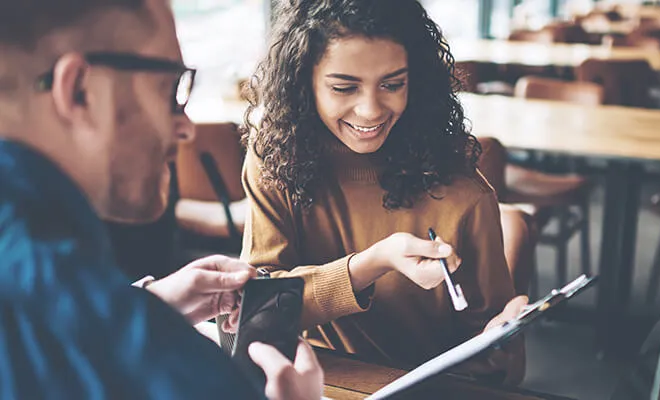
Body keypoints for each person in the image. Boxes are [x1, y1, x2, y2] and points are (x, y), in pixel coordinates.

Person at [0, 0, 528, 399]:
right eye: (171, 89)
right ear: (78, 90)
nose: (185, 128)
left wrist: (148, 305)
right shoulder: (152, 351)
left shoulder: (71, 289)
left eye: (392, 83)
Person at [238, 0, 525, 385]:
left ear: (416, 81)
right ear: (303, 83)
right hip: (314, 382)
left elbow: (501, 368)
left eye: (392, 84)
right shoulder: (276, 159)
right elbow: (255, 312)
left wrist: (498, 346)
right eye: (344, 87)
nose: (371, 110)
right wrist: (372, 264)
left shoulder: (464, 195)